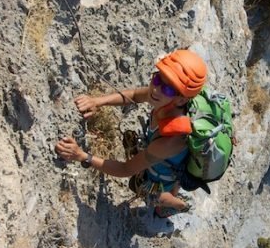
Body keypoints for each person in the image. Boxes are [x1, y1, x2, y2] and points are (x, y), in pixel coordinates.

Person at [55, 49, 207, 217]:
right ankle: (175, 189)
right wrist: (97, 102)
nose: (156, 89)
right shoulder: (162, 98)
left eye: (169, 89)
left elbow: (126, 169)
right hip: (168, 159)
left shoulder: (170, 140)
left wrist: (83, 156)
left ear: (182, 99)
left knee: (151, 194)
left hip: (165, 166)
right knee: (165, 173)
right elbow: (134, 95)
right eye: (157, 78)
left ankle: (181, 206)